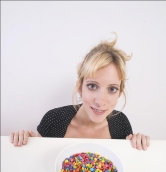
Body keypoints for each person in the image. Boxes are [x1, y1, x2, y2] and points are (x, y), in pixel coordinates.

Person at [10, 32, 150, 150]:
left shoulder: (121, 123)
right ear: (79, 87)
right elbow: (37, 159)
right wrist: (25, 144)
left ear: (119, 93)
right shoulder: (54, 119)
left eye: (112, 89)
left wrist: (138, 144)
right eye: (92, 86)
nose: (100, 101)